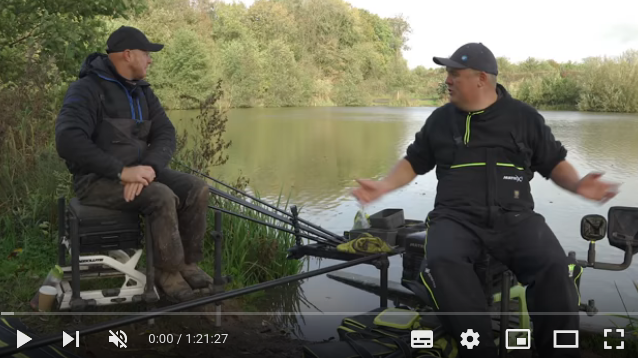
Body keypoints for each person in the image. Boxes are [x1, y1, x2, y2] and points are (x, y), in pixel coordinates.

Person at [352, 43, 619, 358]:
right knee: (442, 257)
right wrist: (384, 186)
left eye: (454, 73)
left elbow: (553, 162)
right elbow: (413, 161)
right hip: (455, 217)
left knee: (553, 265)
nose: (447, 79)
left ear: (481, 78)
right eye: (447, 73)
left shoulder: (524, 118)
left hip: (515, 218)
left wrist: (577, 183)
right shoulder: (440, 120)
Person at [55, 26, 215, 303]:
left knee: (196, 188)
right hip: (96, 180)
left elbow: (166, 132)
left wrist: (148, 169)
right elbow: (67, 140)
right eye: (147, 53)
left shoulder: (142, 92)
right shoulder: (86, 90)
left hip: (141, 171)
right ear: (128, 55)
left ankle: (187, 263)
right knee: (162, 196)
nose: (151, 59)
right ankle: (166, 272)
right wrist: (122, 173)